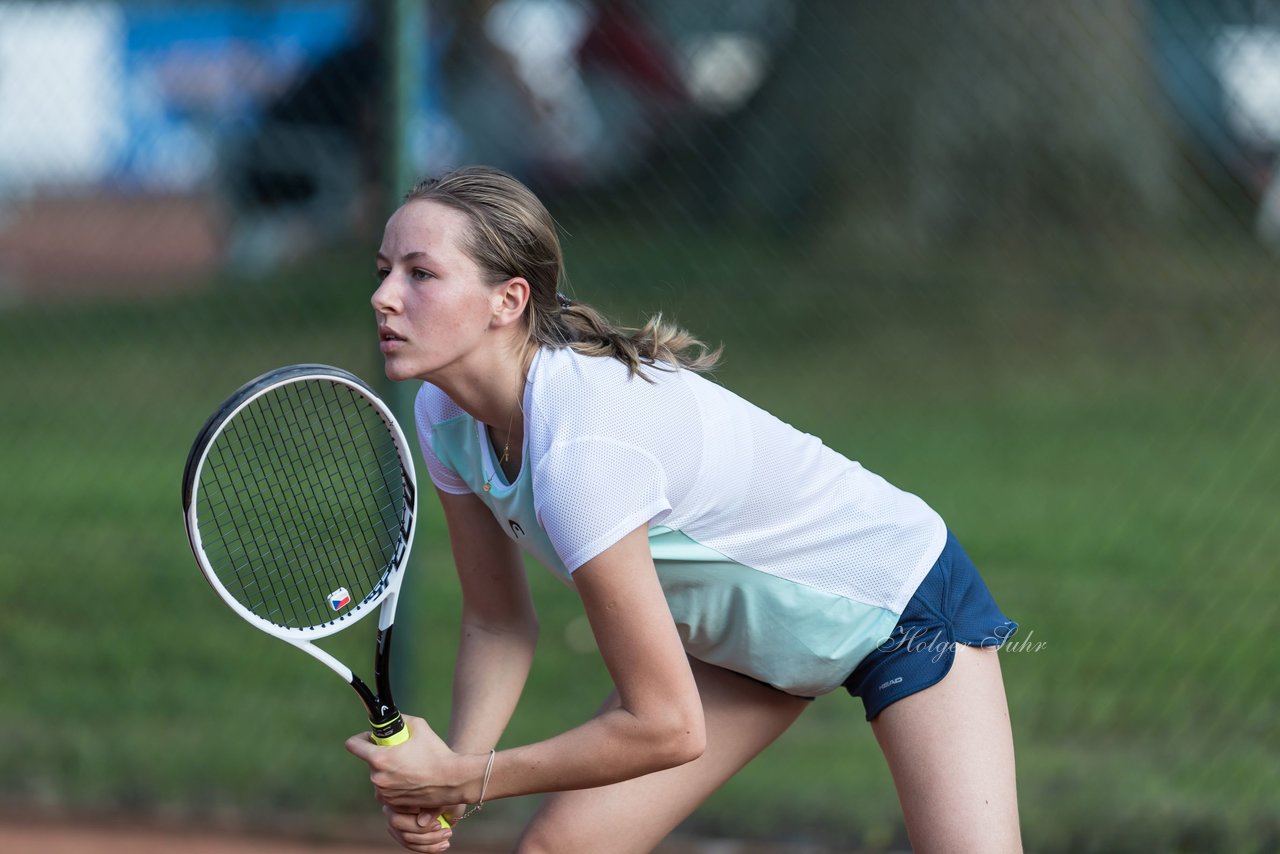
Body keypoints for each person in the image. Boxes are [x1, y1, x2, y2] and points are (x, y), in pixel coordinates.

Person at [345, 165, 1023, 853]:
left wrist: (469, 779)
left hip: (897, 601)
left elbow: (666, 725)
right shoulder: (444, 415)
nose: (384, 296)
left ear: (508, 300)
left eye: (420, 274)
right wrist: (450, 782)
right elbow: (496, 622)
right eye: (384, 269)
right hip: (739, 646)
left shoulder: (581, 447)